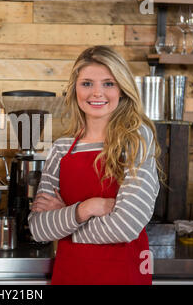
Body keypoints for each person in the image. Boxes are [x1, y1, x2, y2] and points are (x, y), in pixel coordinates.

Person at [28, 46, 162, 285]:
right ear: (75, 89)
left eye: (108, 83)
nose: (97, 93)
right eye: (87, 83)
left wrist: (64, 221)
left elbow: (126, 226)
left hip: (123, 276)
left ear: (122, 89)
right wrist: (86, 208)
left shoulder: (137, 140)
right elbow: (38, 229)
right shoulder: (61, 149)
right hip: (70, 276)